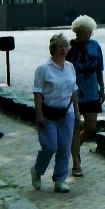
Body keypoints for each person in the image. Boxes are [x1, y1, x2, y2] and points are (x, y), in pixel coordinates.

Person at [31, 33, 81, 193]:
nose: (64, 49)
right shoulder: (43, 69)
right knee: (50, 146)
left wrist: (77, 113)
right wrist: (39, 115)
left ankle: (60, 179)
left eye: (66, 46)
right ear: (53, 48)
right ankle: (37, 170)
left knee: (64, 147)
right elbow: (38, 93)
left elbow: (74, 91)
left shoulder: (70, 67)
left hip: (66, 113)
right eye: (60, 47)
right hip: (48, 113)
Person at [67, 15, 104, 178]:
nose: (88, 35)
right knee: (75, 127)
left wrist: (102, 87)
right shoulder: (69, 49)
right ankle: (76, 163)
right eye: (85, 32)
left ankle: (75, 147)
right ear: (78, 32)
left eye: (90, 32)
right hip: (73, 94)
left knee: (90, 127)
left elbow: (99, 69)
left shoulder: (95, 46)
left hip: (91, 92)